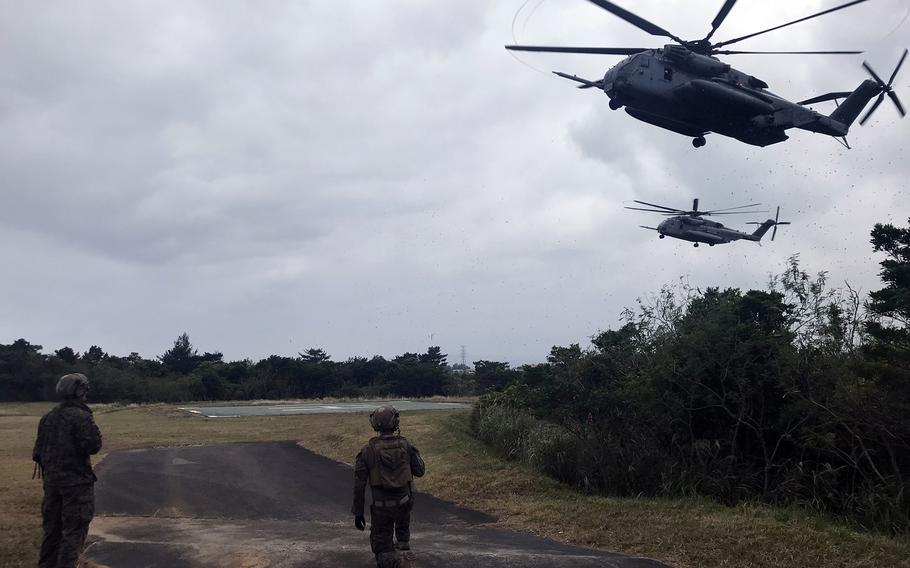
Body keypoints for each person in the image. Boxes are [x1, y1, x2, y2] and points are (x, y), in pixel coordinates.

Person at [32, 373, 103, 568]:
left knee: (52, 531)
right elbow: (93, 446)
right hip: (76, 485)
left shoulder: (48, 417)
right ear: (79, 390)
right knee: (73, 531)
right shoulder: (81, 416)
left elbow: (38, 452)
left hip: (52, 484)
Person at [352, 405, 425, 568]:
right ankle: (404, 545)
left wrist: (358, 513)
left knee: (382, 549)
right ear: (395, 423)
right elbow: (420, 471)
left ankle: (398, 563)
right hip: (404, 502)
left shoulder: (367, 451)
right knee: (403, 514)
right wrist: (414, 452)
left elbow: (359, 486)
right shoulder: (406, 444)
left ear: (375, 425)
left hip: (382, 507)